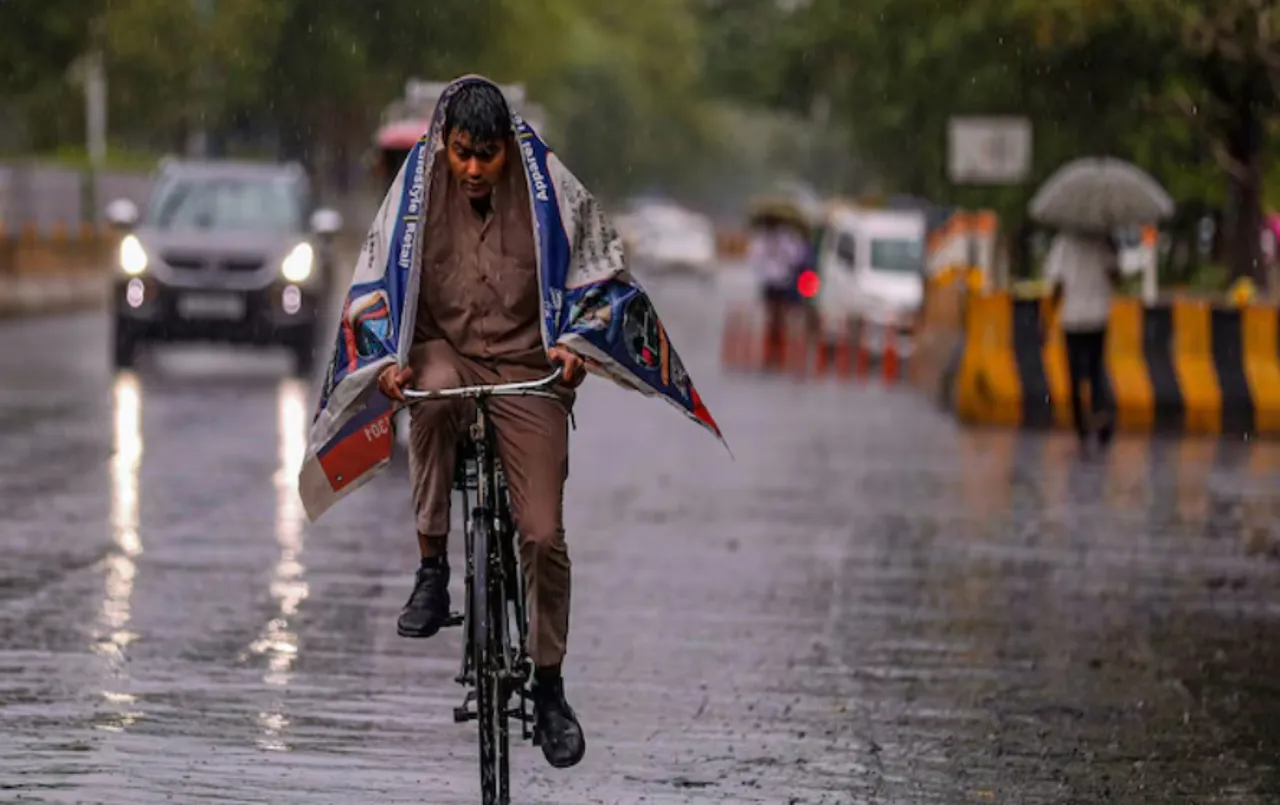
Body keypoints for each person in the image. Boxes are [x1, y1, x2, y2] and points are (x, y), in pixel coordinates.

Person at [375, 82, 587, 769]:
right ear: (444, 146)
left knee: (543, 535)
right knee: (427, 398)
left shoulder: (551, 195)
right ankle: (432, 567)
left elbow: (596, 282)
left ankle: (549, 684)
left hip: (529, 367)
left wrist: (574, 349)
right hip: (448, 356)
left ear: (507, 153)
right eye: (462, 154)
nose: (472, 169)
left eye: (486, 157)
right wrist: (386, 360)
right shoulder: (412, 200)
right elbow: (375, 289)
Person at [1045, 229, 1120, 450]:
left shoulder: (1063, 243)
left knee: (1075, 375)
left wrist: (1049, 313)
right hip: (1098, 316)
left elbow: (1057, 284)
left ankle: (1082, 428)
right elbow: (1115, 276)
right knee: (1096, 370)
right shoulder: (1104, 241)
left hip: (1073, 317)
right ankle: (1100, 414)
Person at [746, 214, 810, 366]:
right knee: (772, 318)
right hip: (772, 281)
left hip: (782, 281)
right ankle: (771, 353)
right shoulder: (764, 237)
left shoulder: (786, 237)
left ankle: (778, 352)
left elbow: (797, 256)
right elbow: (754, 256)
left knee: (779, 318)